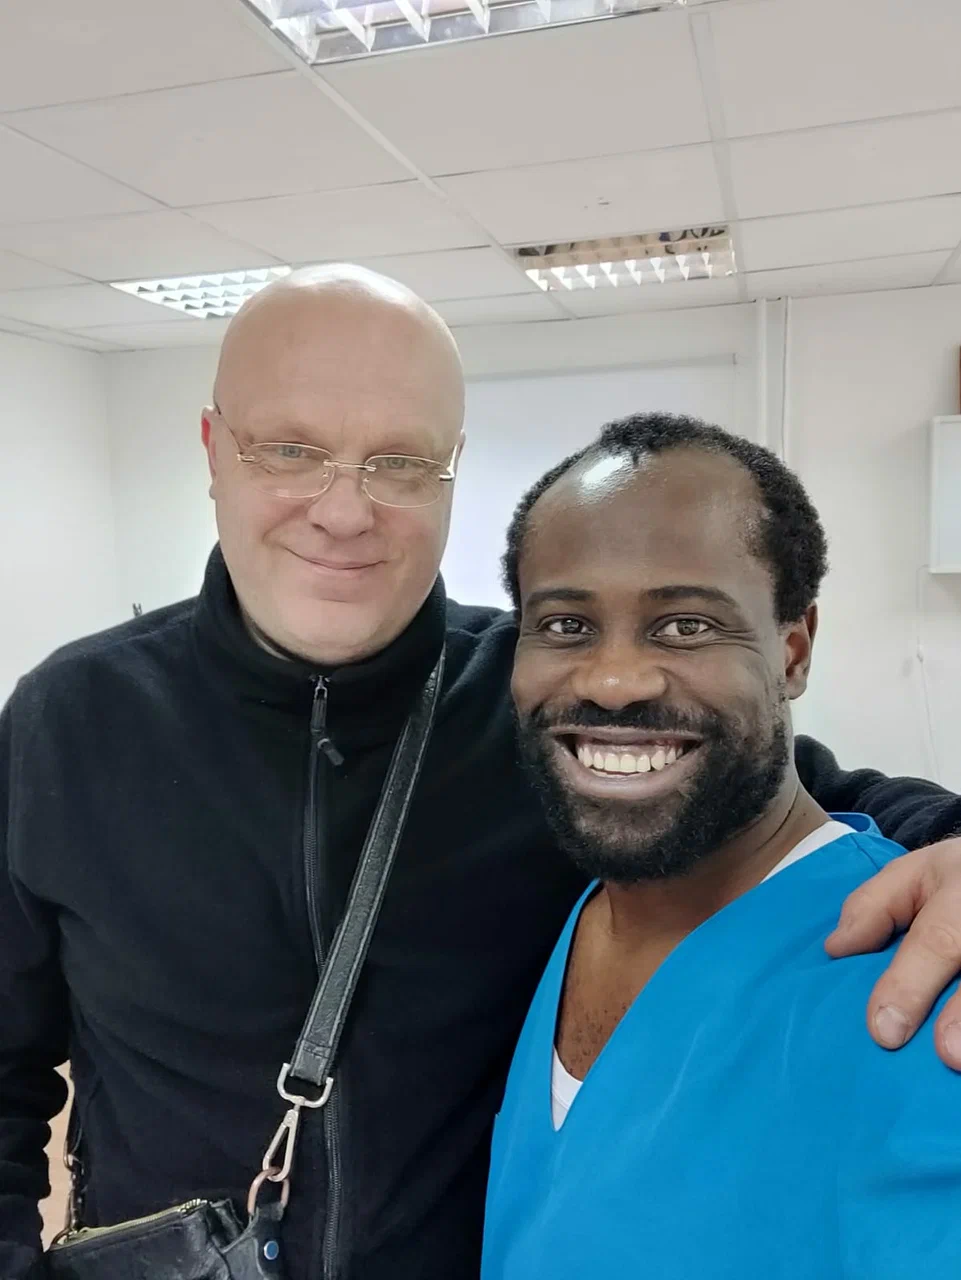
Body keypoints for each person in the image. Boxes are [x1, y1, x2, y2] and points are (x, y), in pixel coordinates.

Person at [0, 269, 960, 1280]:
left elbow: (783, 788)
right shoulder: (71, 720)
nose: (343, 510)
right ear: (211, 450)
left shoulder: (546, 705)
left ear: (450, 470)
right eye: (289, 450)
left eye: (399, 462)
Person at [483, 412, 961, 1279]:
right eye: (565, 625)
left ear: (792, 651)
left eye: (685, 625)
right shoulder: (573, 901)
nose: (614, 681)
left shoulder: (919, 989)